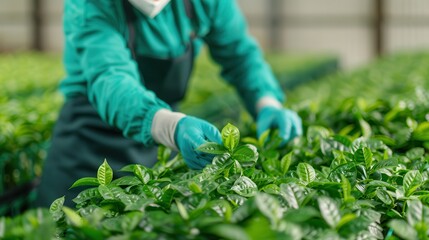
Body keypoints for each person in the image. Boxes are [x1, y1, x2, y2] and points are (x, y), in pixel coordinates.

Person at [35, 0, 303, 207]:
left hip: (158, 145)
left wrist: (266, 102)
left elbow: (239, 53)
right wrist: (172, 126)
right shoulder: (91, 5)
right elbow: (110, 78)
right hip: (88, 142)